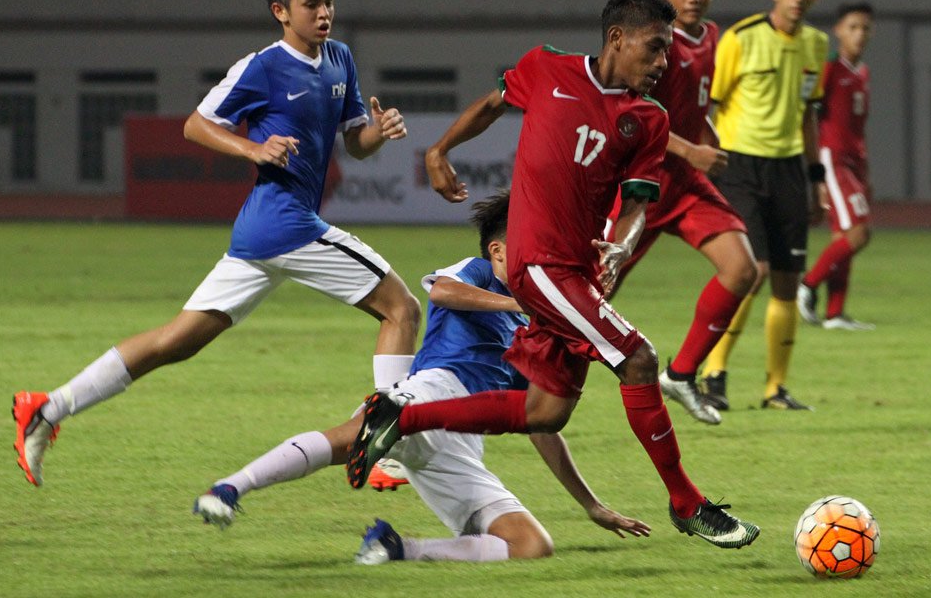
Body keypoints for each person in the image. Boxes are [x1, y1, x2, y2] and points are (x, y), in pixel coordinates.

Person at [348, 0, 760, 550]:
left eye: (667, 52)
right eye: (656, 47)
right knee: (639, 359)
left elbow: (638, 203)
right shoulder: (548, 68)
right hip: (537, 264)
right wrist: (438, 150)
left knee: (546, 411)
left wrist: (620, 243)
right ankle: (687, 503)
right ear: (618, 38)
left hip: (580, 271)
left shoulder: (649, 120)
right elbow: (492, 105)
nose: (664, 63)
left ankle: (398, 417)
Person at [12, 0, 420, 488]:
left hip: (262, 234)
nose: (323, 14)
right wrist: (253, 150)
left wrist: (378, 131)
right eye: (310, 5)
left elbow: (357, 143)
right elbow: (196, 124)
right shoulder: (263, 67)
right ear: (281, 12)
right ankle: (385, 449)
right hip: (288, 226)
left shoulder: (341, 58)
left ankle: (47, 407)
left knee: (175, 341)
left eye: (327, 3)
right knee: (403, 309)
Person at [193, 191, 651, 563]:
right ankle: (231, 487)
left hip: (465, 443)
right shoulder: (478, 278)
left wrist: (591, 505)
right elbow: (442, 290)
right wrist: (518, 304)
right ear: (497, 251)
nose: (540, 258)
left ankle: (397, 548)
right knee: (348, 439)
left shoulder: (540, 325)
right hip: (430, 394)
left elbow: (540, 422)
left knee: (531, 545)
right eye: (530, 248)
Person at [604, 0, 757, 426]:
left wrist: (705, 143)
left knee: (742, 269)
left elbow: (698, 106)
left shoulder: (712, 36)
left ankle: (682, 373)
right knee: (593, 293)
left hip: (687, 185)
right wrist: (691, 150)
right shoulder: (653, 43)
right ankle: (528, 372)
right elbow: (633, 115)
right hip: (642, 183)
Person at [698, 0, 829, 412]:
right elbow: (708, 105)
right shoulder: (741, 39)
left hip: (790, 169)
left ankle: (776, 388)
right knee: (750, 273)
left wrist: (816, 179)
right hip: (740, 167)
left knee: (788, 282)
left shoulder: (816, 45)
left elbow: (809, 114)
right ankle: (714, 372)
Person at [798, 3, 876, 331]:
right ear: (838, 30)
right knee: (859, 234)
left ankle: (835, 314)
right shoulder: (829, 67)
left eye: (865, 28)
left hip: (854, 162)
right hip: (832, 158)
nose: (859, 34)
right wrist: (813, 163)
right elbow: (807, 112)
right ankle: (808, 284)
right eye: (853, 27)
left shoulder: (862, 73)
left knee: (844, 236)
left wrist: (864, 169)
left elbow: (857, 126)